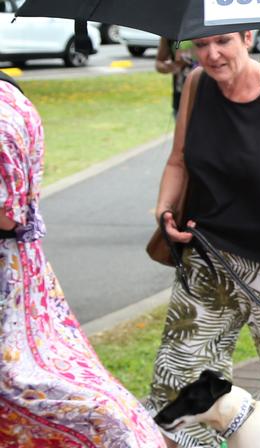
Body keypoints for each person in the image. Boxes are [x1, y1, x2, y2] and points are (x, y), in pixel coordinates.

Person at [145, 31, 260, 448]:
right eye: (200, 44)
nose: (210, 54)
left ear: (248, 37)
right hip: (208, 258)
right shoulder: (196, 84)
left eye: (223, 41)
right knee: (177, 391)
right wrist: (164, 209)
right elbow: (178, 161)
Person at [0, 80, 167, 448]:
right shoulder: (12, 97)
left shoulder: (4, 113)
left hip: (11, 278)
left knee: (30, 383)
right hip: (24, 273)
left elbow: (8, 215)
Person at [155, 37, 197, 116]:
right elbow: (159, 63)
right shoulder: (170, 31)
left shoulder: (206, 27)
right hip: (181, 97)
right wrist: (174, 67)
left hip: (209, 95)